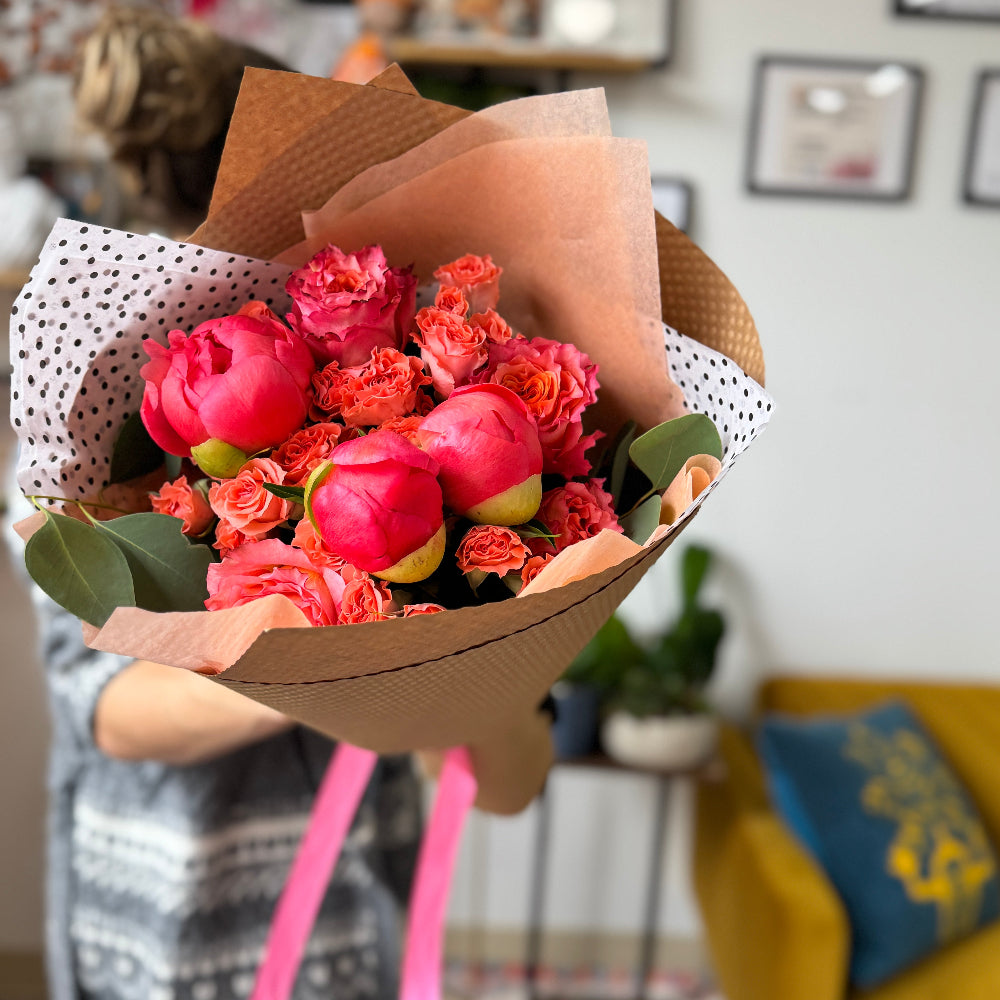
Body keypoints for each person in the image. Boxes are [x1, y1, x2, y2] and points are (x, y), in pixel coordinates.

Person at [11, 9, 554, 999]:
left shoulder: (415, 422)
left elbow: (510, 780)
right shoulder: (90, 425)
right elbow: (113, 712)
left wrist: (475, 654)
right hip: (164, 935)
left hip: (352, 931)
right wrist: (333, 640)